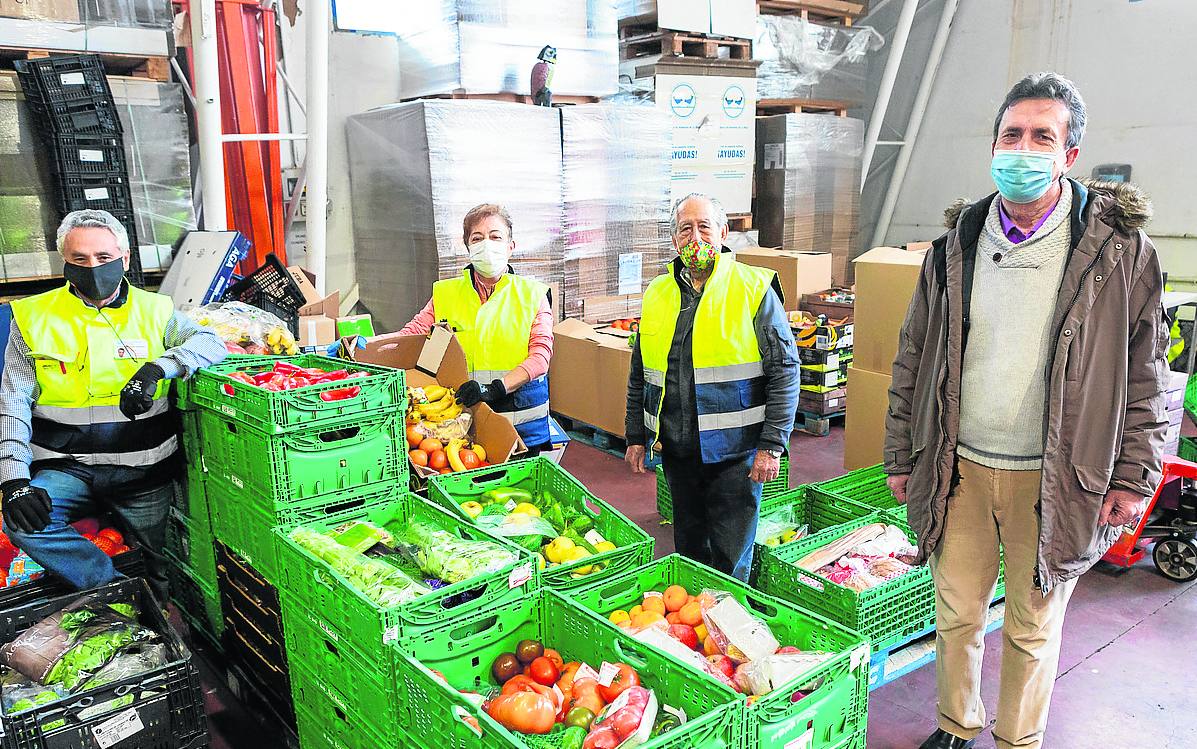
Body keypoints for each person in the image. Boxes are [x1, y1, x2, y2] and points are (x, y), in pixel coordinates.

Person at [884, 72, 1167, 749]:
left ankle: (1016, 739)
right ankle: (955, 723)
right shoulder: (959, 242)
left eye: (1042, 135)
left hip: (1057, 475)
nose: (1023, 147)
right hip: (960, 467)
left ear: (1069, 154)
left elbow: (1148, 371)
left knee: (1030, 626)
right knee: (955, 613)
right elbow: (913, 353)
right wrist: (901, 453)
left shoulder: (1118, 251)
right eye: (1011, 134)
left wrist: (1134, 474)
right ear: (992, 145)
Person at [0, 210, 227, 602]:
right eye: (80, 259)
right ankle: (115, 591)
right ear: (65, 263)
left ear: (124, 259)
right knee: (23, 524)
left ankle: (160, 616)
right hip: (68, 467)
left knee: (161, 561)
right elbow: (12, 402)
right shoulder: (33, 317)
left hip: (143, 472)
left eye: (104, 258)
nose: (93, 268)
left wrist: (160, 367)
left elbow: (211, 343)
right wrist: (14, 480)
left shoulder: (154, 310)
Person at [624, 193, 799, 582]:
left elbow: (785, 370)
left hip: (735, 453)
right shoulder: (657, 293)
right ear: (674, 240)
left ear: (723, 233)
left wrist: (772, 445)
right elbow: (640, 371)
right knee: (688, 548)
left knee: (731, 556)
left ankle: (730, 627)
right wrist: (636, 434)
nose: (696, 237)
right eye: (685, 229)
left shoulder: (753, 289)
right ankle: (697, 629)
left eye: (705, 227)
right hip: (677, 450)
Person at [400, 203, 554, 453]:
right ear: (468, 248)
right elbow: (412, 333)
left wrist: (495, 388)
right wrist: (361, 345)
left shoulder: (532, 295)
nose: (487, 244)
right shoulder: (446, 294)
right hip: (462, 423)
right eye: (478, 238)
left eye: (496, 237)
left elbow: (540, 357)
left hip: (522, 424)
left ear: (510, 247)